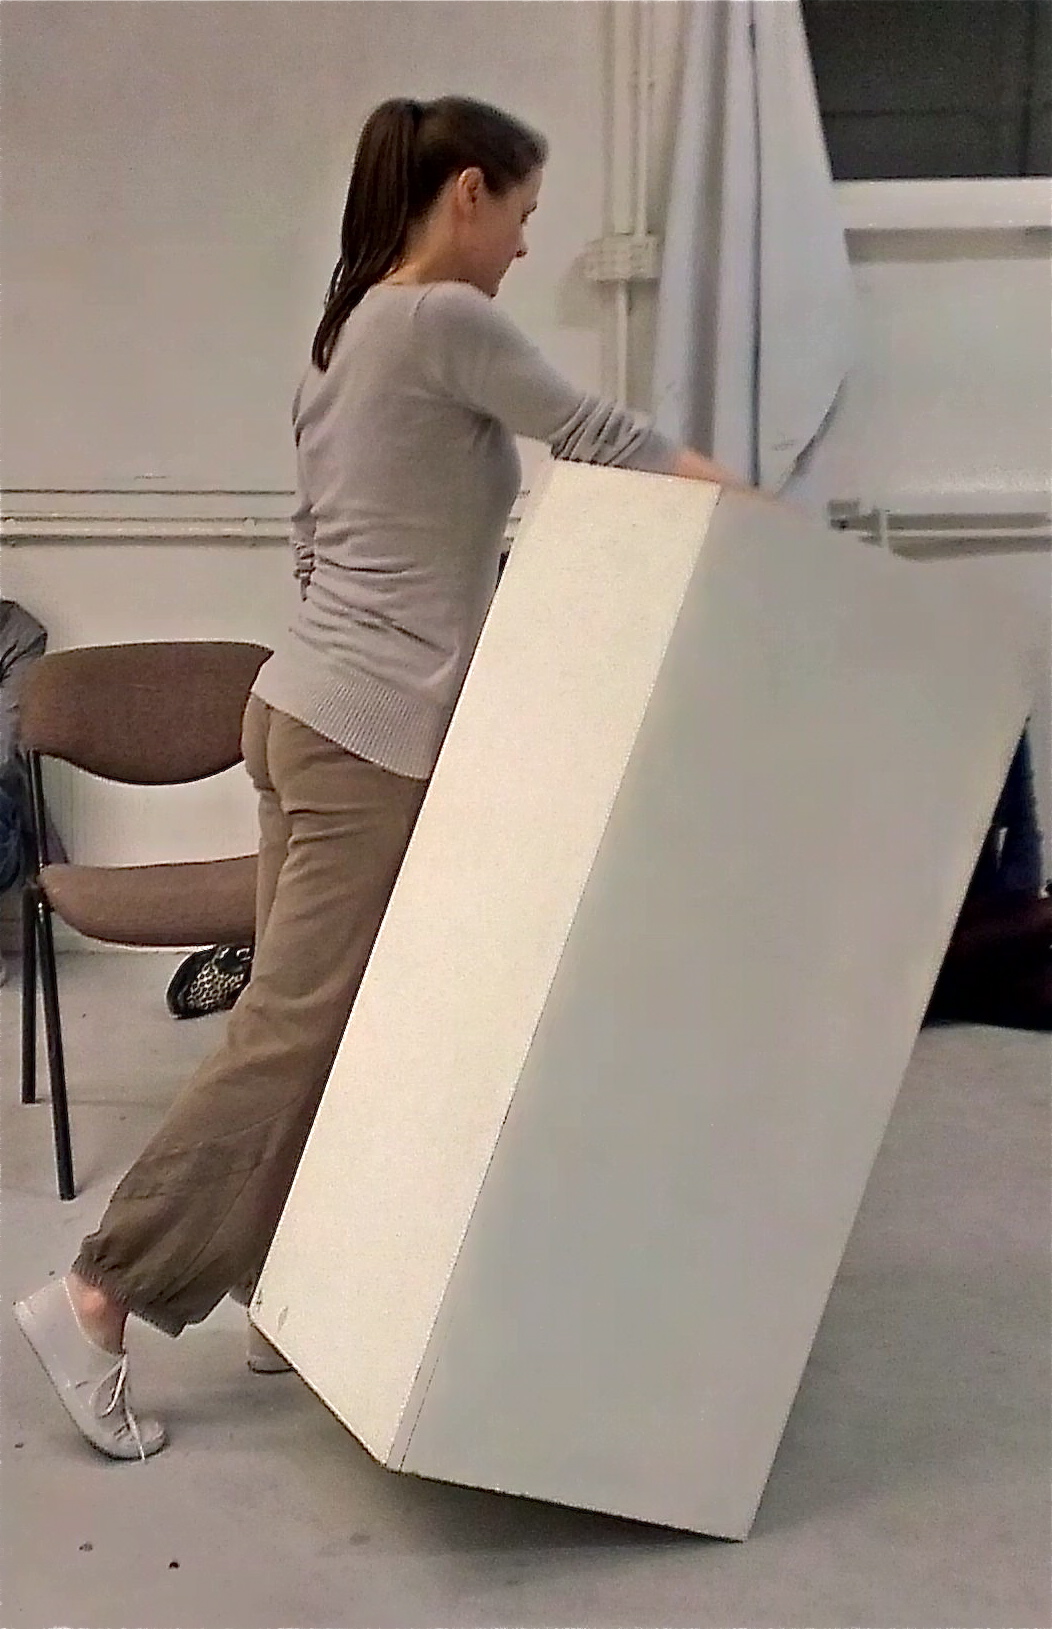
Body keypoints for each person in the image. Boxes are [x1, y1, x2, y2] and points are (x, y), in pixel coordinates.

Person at [14, 95, 762, 1460]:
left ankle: (280, 1285)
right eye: (523, 214)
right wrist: (762, 515)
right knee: (293, 1029)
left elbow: (313, 548)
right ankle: (98, 1295)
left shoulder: (345, 334)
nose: (525, 247)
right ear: (467, 191)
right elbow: (603, 436)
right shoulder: (441, 321)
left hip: (297, 712)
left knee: (335, 1025)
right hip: (361, 745)